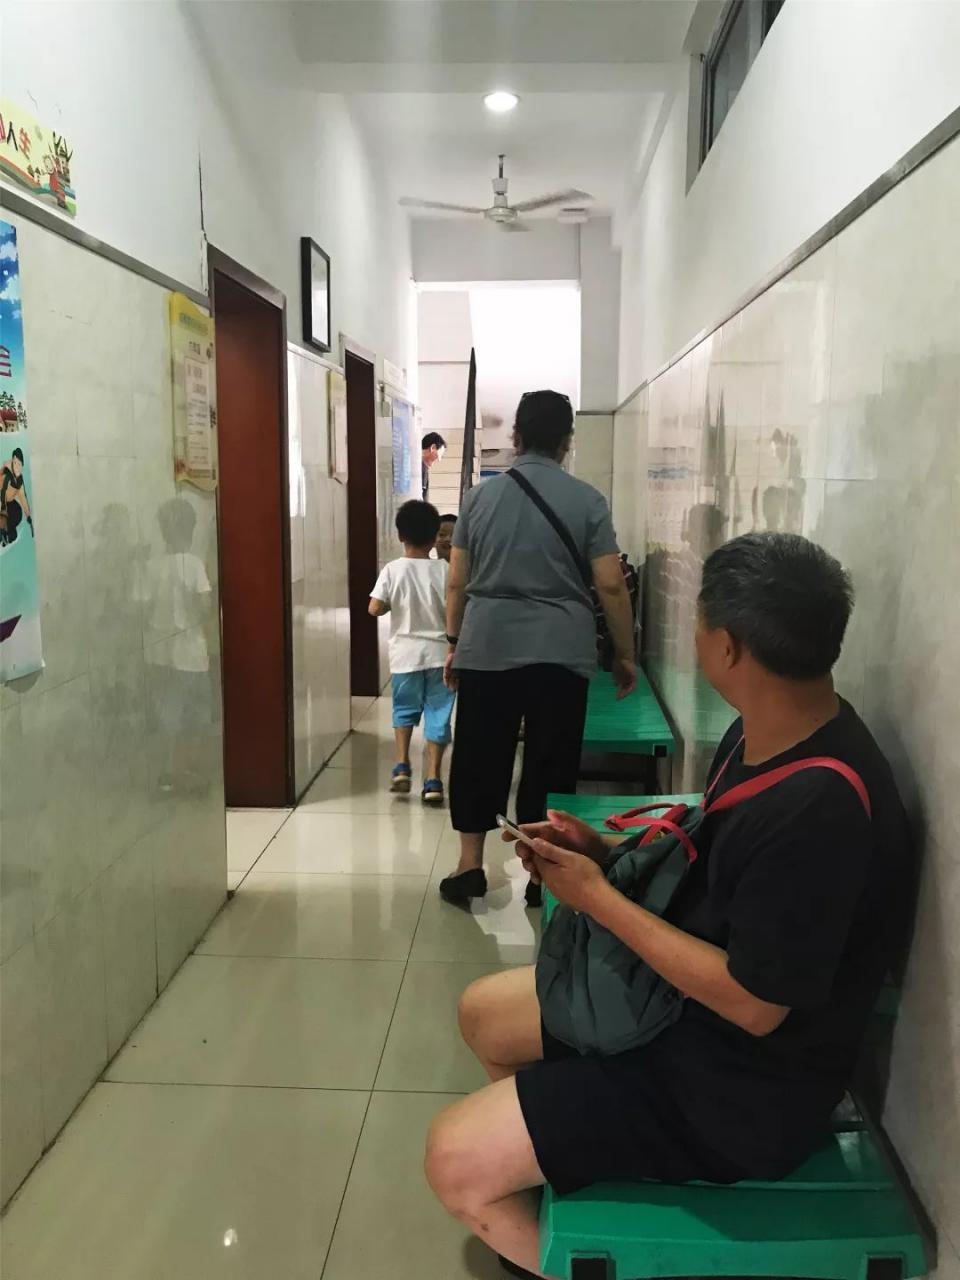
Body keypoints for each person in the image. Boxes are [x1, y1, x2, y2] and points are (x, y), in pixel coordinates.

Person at [425, 532, 911, 1280]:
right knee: (484, 1014)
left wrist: (596, 900)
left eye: (700, 623)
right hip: (681, 1013)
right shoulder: (768, 731)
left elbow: (757, 1006)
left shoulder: (821, 808)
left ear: (730, 647)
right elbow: (721, 878)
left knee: (451, 1160)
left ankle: (577, 1237)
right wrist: (603, 856)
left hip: (742, 1088)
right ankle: (566, 1166)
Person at [441, 390, 636, 909]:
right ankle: (542, 875)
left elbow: (457, 581)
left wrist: (454, 643)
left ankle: (469, 865)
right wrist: (625, 654)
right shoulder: (588, 500)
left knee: (479, 754)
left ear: (517, 435)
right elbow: (611, 585)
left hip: (488, 645)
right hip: (561, 651)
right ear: (567, 440)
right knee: (551, 759)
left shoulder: (479, 499)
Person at [370, 500, 455, 804]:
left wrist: (393, 604)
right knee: (438, 715)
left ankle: (402, 764)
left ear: (400, 535)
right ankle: (433, 779)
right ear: (434, 537)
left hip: (405, 657)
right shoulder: (445, 570)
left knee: (404, 710)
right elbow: (457, 609)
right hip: (440, 656)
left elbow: (374, 608)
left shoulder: (392, 570)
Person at [0, 449, 33, 547]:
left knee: (17, 513)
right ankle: (2, 531)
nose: (18, 467)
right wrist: (3, 509)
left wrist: (28, 515)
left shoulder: (19, 480)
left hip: (9, 502)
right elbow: (3, 492)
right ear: (13, 460)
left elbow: (23, 497)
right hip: (2, 501)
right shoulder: (6, 475)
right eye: (16, 463)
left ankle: (7, 535)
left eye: (20, 465)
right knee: (3, 519)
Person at [421, 431, 446, 501]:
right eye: (440, 454)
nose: (439, 459)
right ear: (433, 447)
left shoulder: (421, 467)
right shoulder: (421, 469)